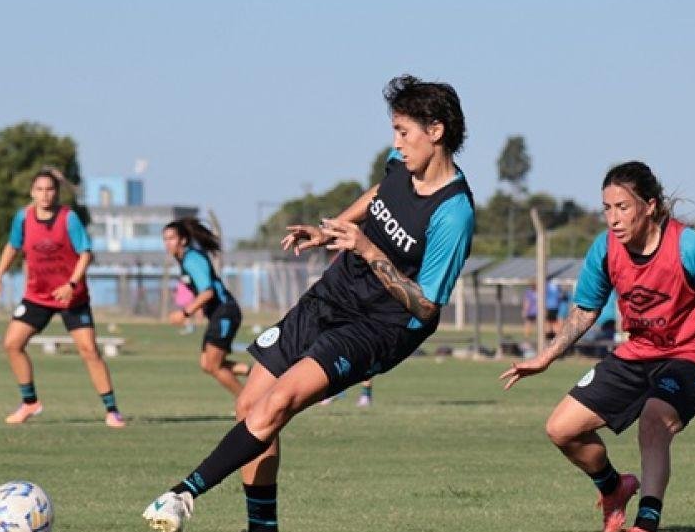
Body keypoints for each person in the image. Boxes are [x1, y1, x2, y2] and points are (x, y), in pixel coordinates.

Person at [142, 74, 475, 532]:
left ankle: (184, 493)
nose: (395, 144)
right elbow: (381, 195)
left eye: (403, 132)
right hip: (333, 294)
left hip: (379, 327)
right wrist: (331, 229)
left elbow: (426, 308)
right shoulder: (400, 167)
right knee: (249, 409)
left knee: (276, 404)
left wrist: (367, 250)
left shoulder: (453, 212)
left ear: (435, 131)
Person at [499, 161, 695, 532]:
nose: (613, 218)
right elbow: (585, 310)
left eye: (623, 207)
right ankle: (614, 489)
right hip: (639, 352)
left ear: (649, 206)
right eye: (607, 208)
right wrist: (546, 357)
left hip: (693, 355)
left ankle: (646, 522)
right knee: (561, 429)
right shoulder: (604, 249)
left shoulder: (693, 248)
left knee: (653, 421)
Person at [0, 167, 125, 428]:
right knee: (12, 343)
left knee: (89, 350)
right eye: (39, 189)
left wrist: (72, 283)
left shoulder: (68, 219)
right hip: (38, 295)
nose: (45, 195)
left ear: (57, 193)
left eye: (49, 189)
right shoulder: (23, 219)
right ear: (32, 192)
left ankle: (112, 411)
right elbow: (12, 247)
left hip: (72, 297)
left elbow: (86, 253)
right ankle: (30, 402)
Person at [163, 217, 249, 397]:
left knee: (213, 365)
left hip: (225, 312)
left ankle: (248, 405)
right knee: (207, 364)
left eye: (171, 238)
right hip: (219, 313)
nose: (167, 243)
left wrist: (185, 313)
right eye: (165, 239)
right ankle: (264, 374)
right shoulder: (185, 259)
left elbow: (208, 292)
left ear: (183, 240)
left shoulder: (191, 259)